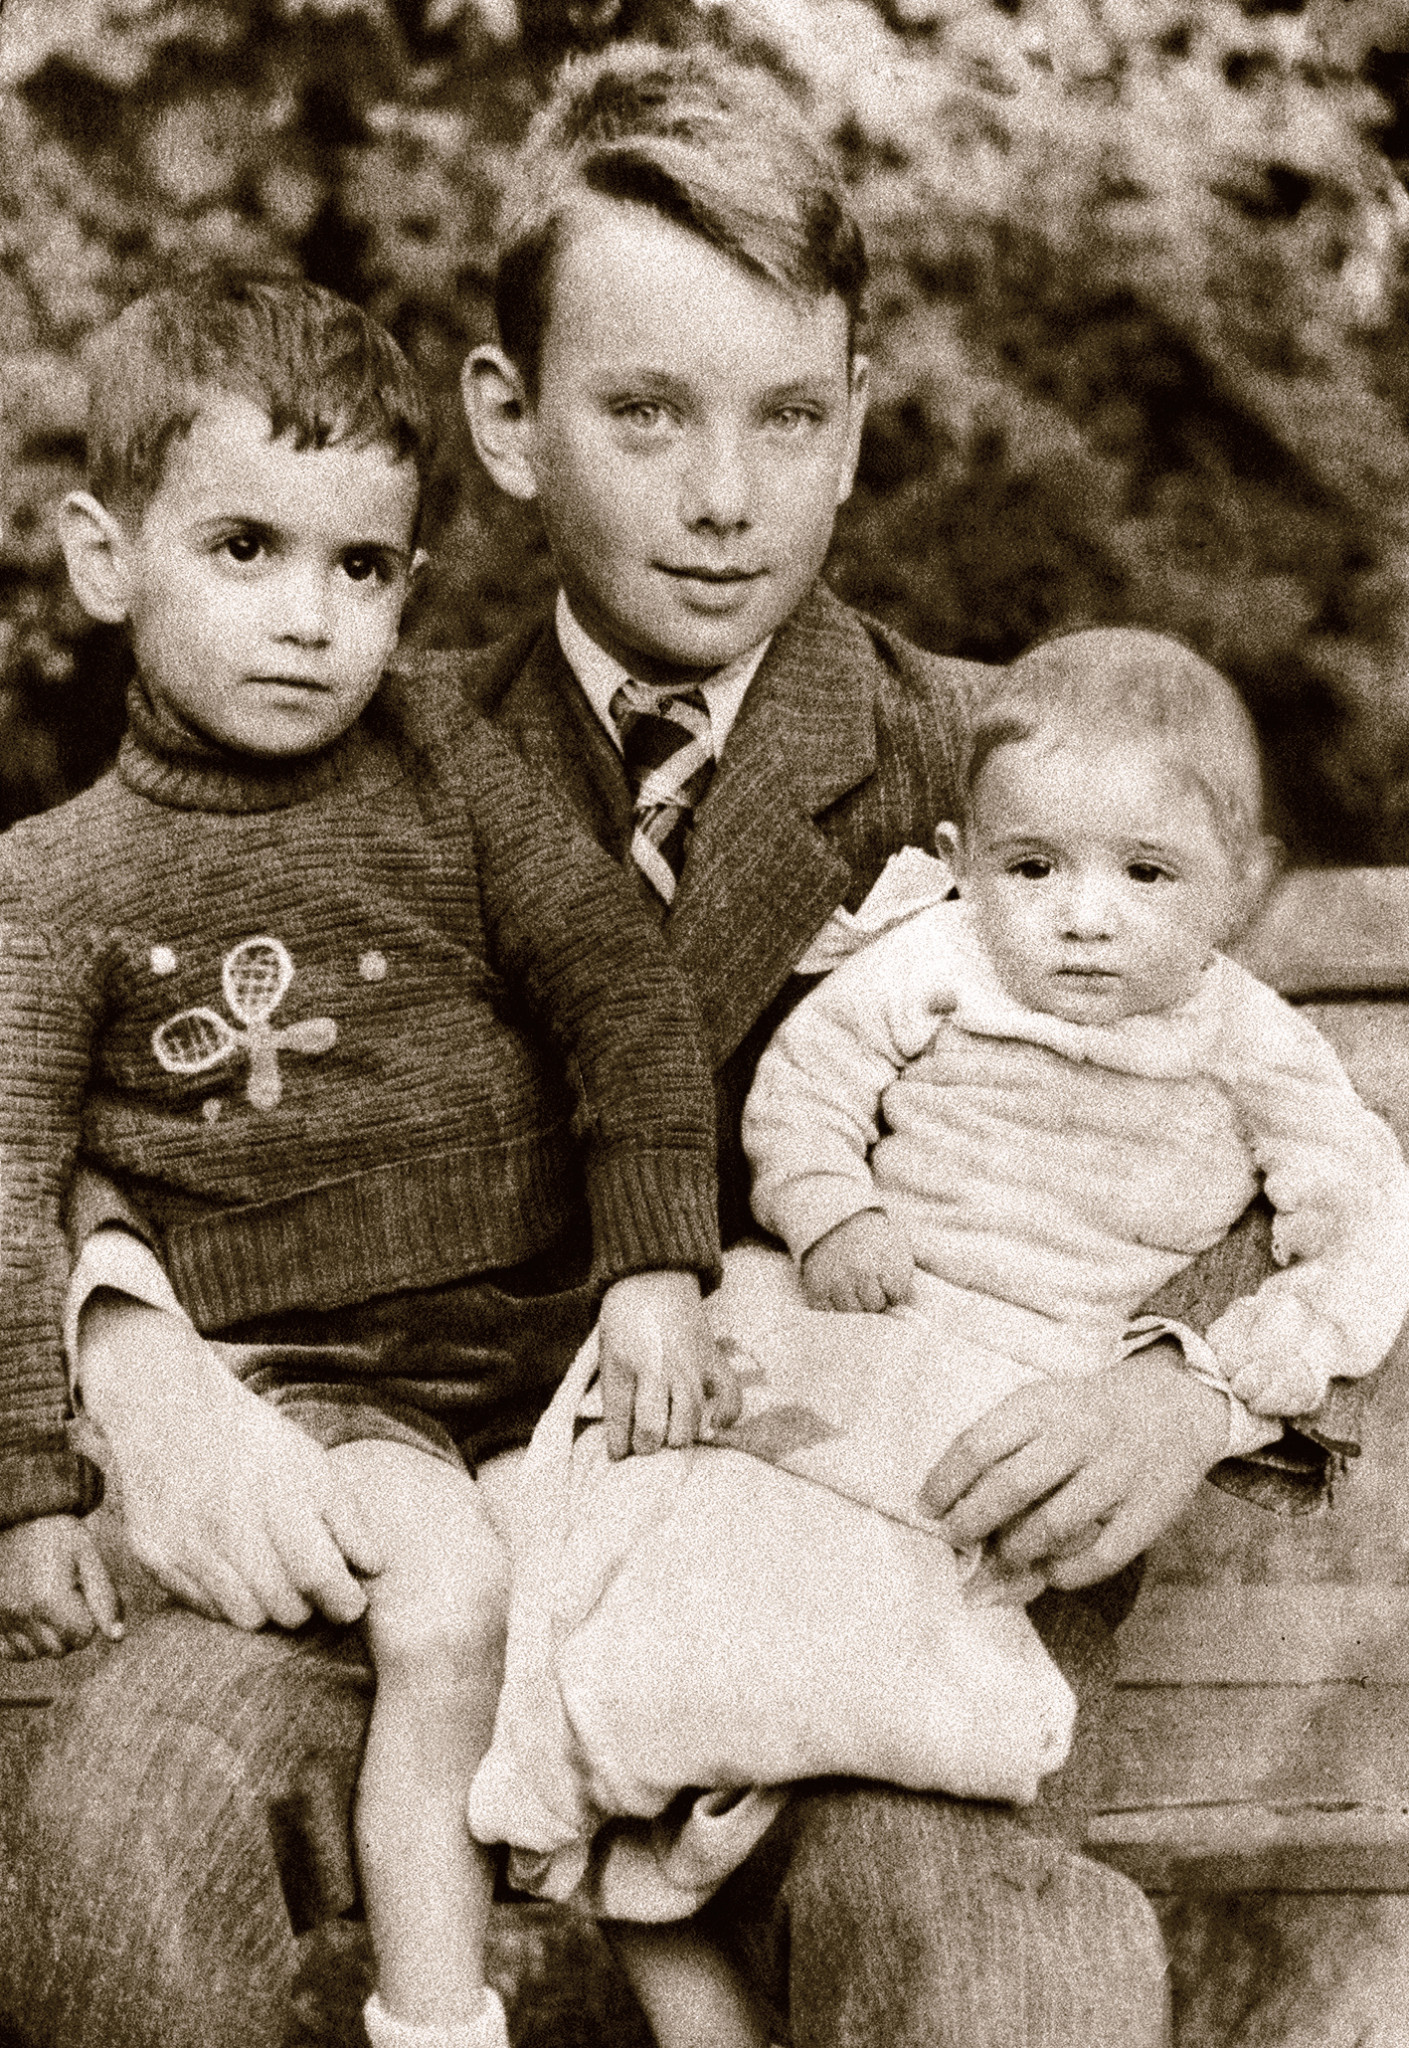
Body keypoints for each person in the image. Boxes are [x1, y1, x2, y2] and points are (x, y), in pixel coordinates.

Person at [17, 41, 1364, 2048]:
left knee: (1004, 1982)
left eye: (786, 416)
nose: (724, 498)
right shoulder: (353, 746)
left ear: (855, 427)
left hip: (851, 1579)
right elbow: (106, 1052)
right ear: (508, 420)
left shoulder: (1018, 774)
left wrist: (1177, 1387)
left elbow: (1266, 1111)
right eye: (644, 412)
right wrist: (133, 1346)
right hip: (411, 1541)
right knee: (111, 1848)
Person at [467, 625, 1409, 2046]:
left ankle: (741, 1795)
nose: (1083, 919)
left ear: (1242, 884)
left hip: (1037, 1368)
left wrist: (1238, 1370)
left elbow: (1360, 1209)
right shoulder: (936, 960)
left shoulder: (1248, 1039)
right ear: (967, 861)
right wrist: (828, 1208)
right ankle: (627, 1787)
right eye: (1035, 871)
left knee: (931, 1579)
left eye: (1146, 877)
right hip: (869, 1306)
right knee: (676, 1488)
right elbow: (810, 1085)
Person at [0, 273, 730, 2048]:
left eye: (361, 568)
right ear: (106, 560)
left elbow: (617, 989)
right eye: (243, 550)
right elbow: (9, 1199)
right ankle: (437, 2015)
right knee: (452, 1601)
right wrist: (26, 1492)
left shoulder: (440, 764)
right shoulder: (55, 882)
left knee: (722, 1599)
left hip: (542, 1349)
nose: (309, 619)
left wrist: (654, 1258)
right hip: (327, 1382)